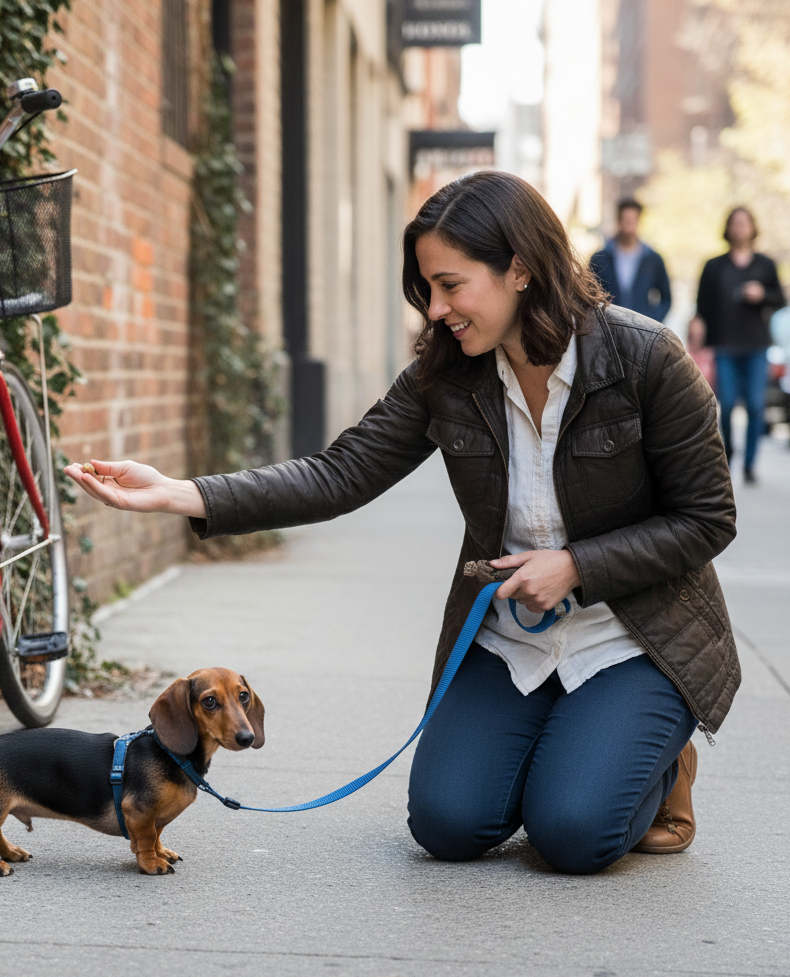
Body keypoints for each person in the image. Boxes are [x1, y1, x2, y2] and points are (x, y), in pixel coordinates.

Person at [65, 171, 740, 876]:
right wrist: (182, 493)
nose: (437, 309)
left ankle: (659, 766)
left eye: (452, 285)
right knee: (449, 825)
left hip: (630, 637)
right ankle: (570, 748)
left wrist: (577, 566)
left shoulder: (646, 359)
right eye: (427, 290)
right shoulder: (447, 373)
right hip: (512, 642)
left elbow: (706, 518)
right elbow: (341, 472)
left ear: (520, 269)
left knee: (572, 835)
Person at [691, 207, 785, 484]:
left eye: (745, 223)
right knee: (728, 404)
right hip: (724, 344)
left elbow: (779, 298)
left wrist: (762, 294)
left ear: (753, 228)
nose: (740, 228)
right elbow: (702, 304)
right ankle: (729, 453)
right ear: (728, 228)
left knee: (756, 405)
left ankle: (751, 463)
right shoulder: (714, 265)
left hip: (756, 344)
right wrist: (697, 326)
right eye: (735, 223)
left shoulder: (765, 264)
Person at [590, 198, 672, 322]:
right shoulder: (600, 258)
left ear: (639, 221)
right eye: (625, 220)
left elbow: (666, 298)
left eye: (632, 220)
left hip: (641, 328)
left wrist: (653, 319)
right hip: (610, 327)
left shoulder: (652, 259)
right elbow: (590, 294)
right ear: (618, 221)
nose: (628, 225)